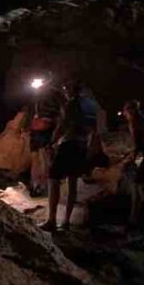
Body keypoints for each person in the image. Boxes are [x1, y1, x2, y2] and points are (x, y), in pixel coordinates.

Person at [42, 80, 98, 232]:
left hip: (69, 143)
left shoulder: (71, 104)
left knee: (53, 178)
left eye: (66, 89)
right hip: (83, 144)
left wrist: (52, 142)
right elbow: (94, 130)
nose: (65, 91)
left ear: (72, 91)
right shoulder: (92, 105)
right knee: (72, 182)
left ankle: (52, 220)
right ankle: (66, 221)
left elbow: (63, 125)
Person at [20, 74, 61, 197]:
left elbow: (60, 113)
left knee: (45, 158)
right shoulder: (37, 93)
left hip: (47, 129)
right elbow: (32, 109)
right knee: (35, 158)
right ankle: (35, 185)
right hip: (37, 128)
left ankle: (44, 186)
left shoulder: (55, 93)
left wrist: (56, 130)